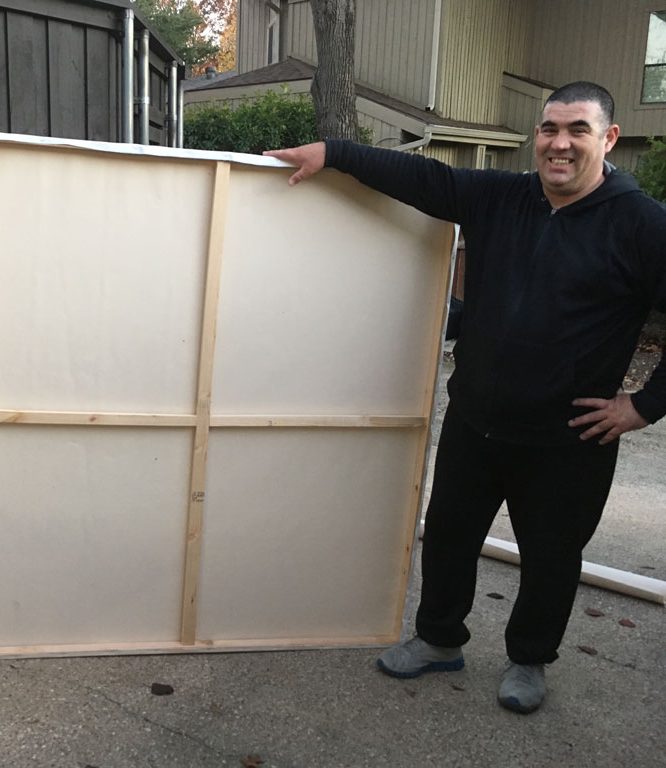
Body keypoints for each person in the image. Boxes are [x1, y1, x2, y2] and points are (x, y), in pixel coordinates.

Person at [264, 81, 666, 714]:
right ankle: (438, 639)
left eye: (578, 130)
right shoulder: (502, 196)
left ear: (609, 138)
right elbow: (425, 179)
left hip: (569, 439)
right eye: (549, 129)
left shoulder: (643, 225)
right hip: (475, 420)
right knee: (449, 537)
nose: (559, 144)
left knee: (551, 557)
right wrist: (335, 152)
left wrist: (643, 406)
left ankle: (529, 659)